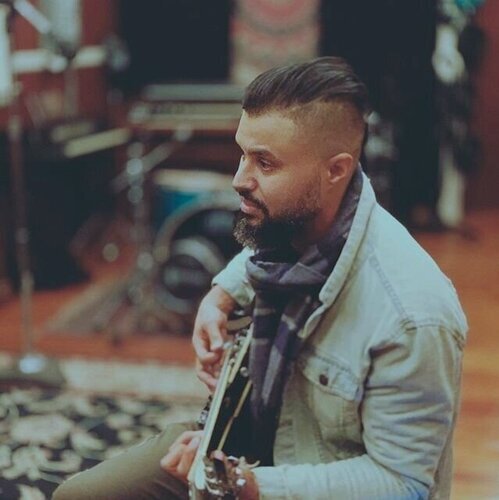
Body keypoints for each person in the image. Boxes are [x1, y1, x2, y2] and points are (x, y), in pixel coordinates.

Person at [53, 56, 467, 500]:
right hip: (254, 444)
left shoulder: (412, 317)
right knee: (77, 497)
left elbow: (402, 483)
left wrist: (250, 484)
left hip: (297, 483)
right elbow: (264, 250)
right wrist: (220, 295)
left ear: (335, 170)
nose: (239, 179)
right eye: (242, 154)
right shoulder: (299, 223)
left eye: (265, 164)